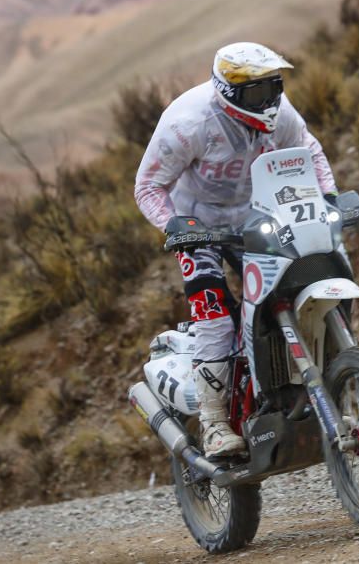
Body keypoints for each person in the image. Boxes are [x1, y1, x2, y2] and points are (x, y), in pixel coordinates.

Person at [134, 42, 338, 457]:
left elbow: (308, 149)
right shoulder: (188, 122)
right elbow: (148, 186)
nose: (267, 100)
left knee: (300, 289)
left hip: (258, 219)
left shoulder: (281, 112)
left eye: (273, 87)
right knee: (215, 316)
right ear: (227, 92)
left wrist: (330, 199)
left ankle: (321, 390)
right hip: (199, 229)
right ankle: (213, 425)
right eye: (255, 93)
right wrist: (175, 225)